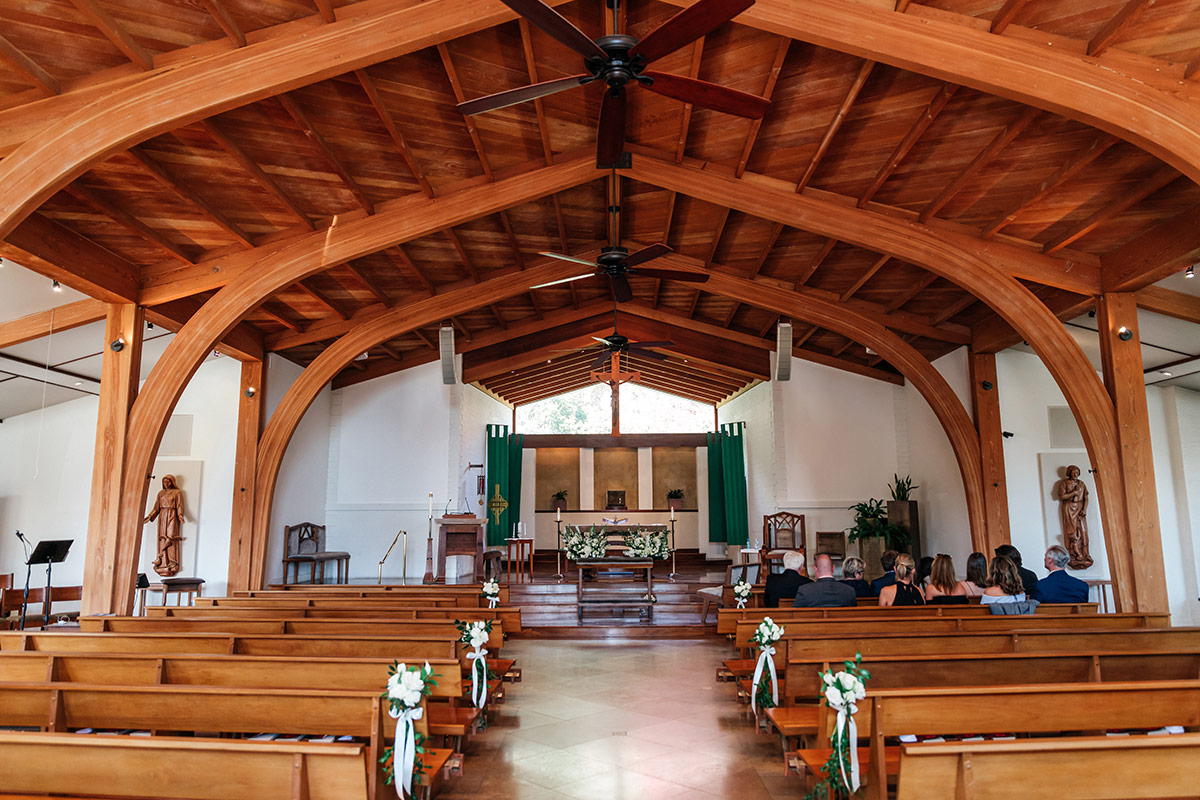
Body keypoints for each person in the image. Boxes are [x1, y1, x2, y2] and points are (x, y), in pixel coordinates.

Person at [145, 474, 186, 577]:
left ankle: (172, 561)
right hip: (162, 516)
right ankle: (163, 560)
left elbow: (179, 505)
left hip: (172, 515)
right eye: (164, 482)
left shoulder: (177, 493)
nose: (166, 484)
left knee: (171, 537)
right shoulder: (161, 493)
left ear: (172, 482)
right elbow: (156, 508)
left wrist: (180, 515)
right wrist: (150, 516)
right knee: (163, 538)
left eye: (168, 482)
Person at [794, 554, 858, 607]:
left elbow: (795, 615)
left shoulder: (804, 591)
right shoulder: (849, 591)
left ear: (815, 569)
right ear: (833, 568)